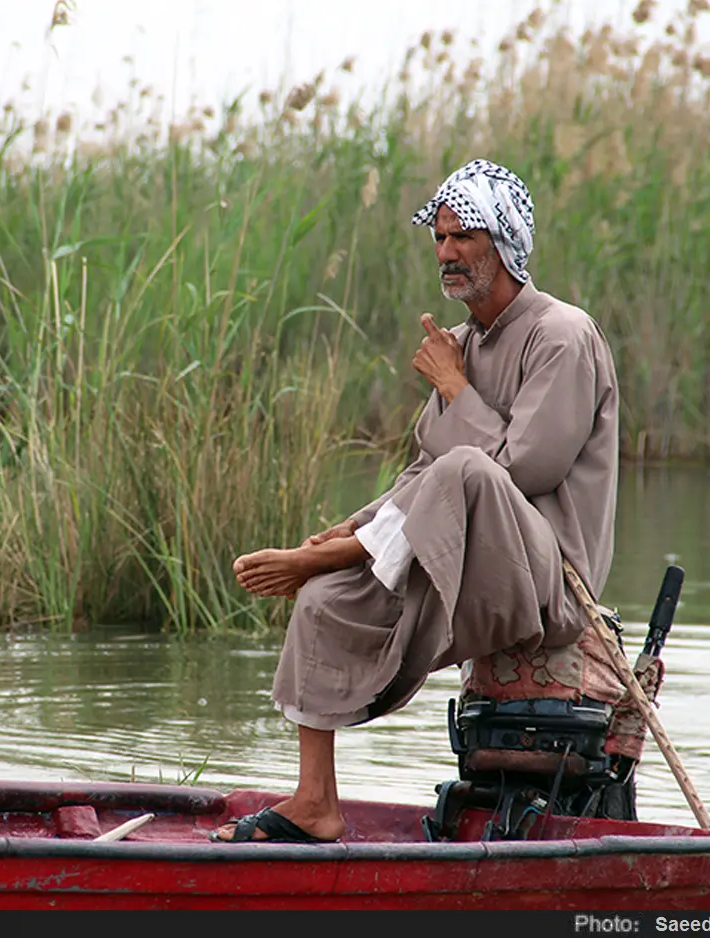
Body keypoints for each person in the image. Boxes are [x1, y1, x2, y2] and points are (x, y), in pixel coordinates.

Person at [212, 159, 620, 844]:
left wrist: (456, 389)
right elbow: (421, 477)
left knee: (466, 469)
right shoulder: (457, 345)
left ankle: (347, 553)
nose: (446, 252)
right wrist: (342, 532)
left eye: (463, 236)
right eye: (439, 237)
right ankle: (315, 801)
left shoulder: (563, 335)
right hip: (467, 556)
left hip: (548, 581)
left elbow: (521, 468)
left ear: (506, 241)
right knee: (325, 597)